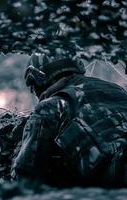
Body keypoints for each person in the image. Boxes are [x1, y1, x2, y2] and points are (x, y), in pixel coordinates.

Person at [11, 54, 127, 187]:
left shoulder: (52, 105)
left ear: (39, 79)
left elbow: (24, 176)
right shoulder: (118, 90)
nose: (35, 93)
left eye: (33, 88)